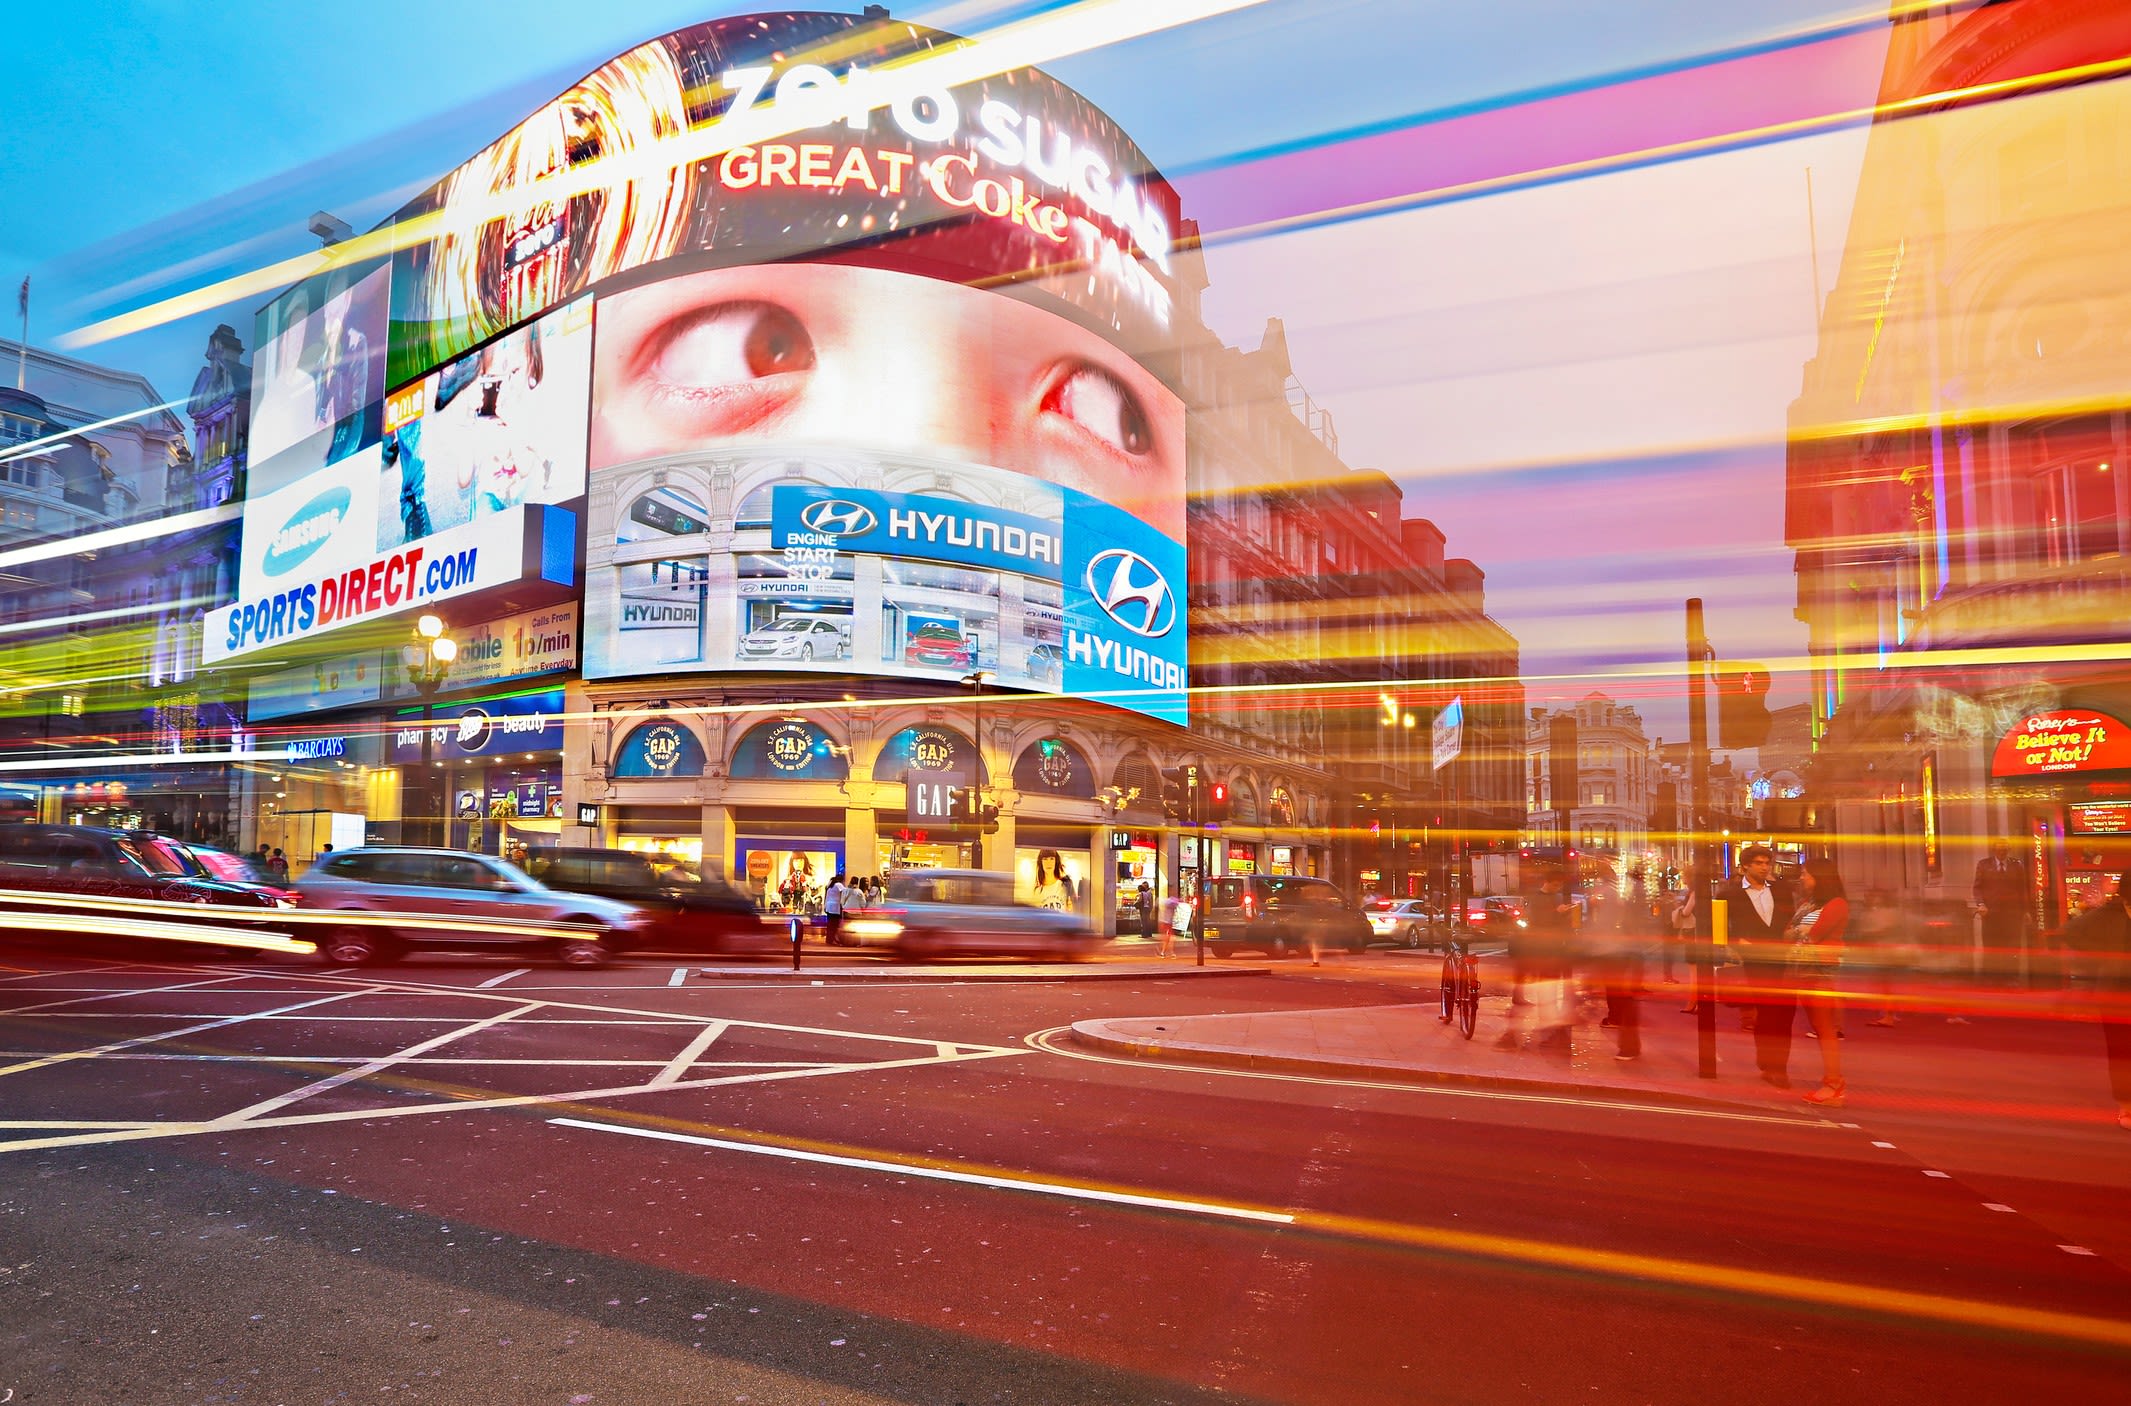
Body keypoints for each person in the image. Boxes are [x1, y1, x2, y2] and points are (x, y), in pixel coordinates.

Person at [2059, 870, 2131, 1131]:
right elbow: (2071, 931)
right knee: (2121, 1050)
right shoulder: (2108, 915)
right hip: (2115, 994)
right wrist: (2101, 953)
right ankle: (2126, 1106)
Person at [1725, 845, 1800, 1088]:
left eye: (1767, 862)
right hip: (1755, 962)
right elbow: (1719, 928)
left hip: (1783, 959)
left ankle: (1778, 1067)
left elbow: (1789, 920)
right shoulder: (1730, 894)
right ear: (1745, 865)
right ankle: (1769, 1061)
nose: (1764, 867)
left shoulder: (1781, 890)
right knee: (1767, 1013)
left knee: (1784, 1014)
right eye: (1758, 863)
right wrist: (1736, 942)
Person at [1786, 858, 1851, 1107]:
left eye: (1806, 874)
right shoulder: (1808, 904)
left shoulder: (1837, 905)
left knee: (1825, 1029)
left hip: (1820, 972)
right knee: (1819, 1027)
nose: (1802, 878)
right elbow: (1788, 931)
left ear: (1820, 877)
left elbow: (1813, 936)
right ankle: (1832, 1083)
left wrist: (1799, 933)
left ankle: (1834, 1084)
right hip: (1802, 970)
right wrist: (1799, 933)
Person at [1497, 864, 1580, 1054]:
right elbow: (1536, 923)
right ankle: (1540, 1030)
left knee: (1547, 989)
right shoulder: (1537, 899)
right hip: (1539, 951)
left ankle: (1543, 1029)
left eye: (1559, 885)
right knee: (1543, 989)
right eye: (1555, 884)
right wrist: (1557, 913)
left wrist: (1564, 916)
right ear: (1547, 882)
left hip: (1552, 950)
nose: (1557, 888)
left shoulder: (1555, 898)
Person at [1973, 840, 2030, 968]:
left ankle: (2013, 978)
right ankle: (1992, 978)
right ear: (1994, 850)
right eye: (1999, 849)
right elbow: (1977, 887)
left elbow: (2022, 889)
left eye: (2005, 849)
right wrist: (1981, 904)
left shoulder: (2017, 865)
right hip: (1991, 915)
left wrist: (2025, 911)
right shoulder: (1984, 865)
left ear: (2008, 850)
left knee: (2013, 948)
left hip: (2012, 915)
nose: (2002, 852)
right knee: (1991, 947)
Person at [823, 872, 847, 946]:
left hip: (829, 907)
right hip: (834, 907)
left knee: (830, 925)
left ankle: (829, 940)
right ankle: (833, 940)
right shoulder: (838, 885)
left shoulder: (830, 885)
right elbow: (845, 892)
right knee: (834, 925)